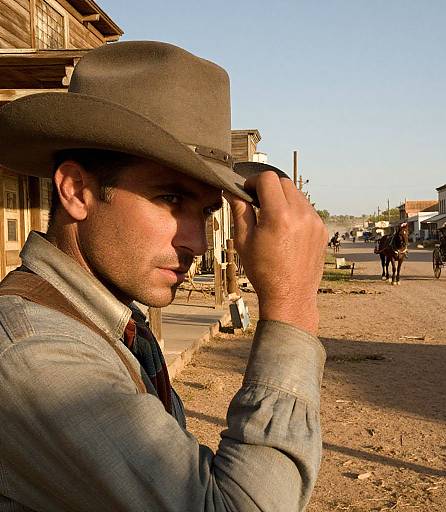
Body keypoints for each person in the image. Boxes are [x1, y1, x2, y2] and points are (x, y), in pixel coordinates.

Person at [0, 41, 327, 511]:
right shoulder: (35, 353)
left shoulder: (110, 322)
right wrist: (292, 307)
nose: (194, 240)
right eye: (170, 199)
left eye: (205, 211)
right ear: (76, 190)